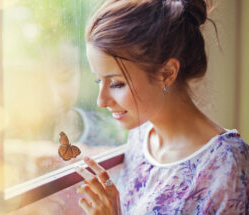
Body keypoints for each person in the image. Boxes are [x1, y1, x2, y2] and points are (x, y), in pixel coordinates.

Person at [74, 0, 249, 214]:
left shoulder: (226, 163)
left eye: (117, 83)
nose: (101, 101)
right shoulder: (140, 137)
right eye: (98, 81)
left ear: (167, 73)